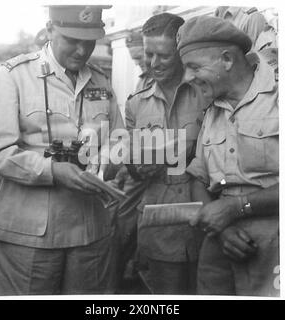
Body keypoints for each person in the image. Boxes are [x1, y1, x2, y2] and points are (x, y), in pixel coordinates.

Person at [0, 5, 124, 295]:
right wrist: (51, 170)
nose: (81, 50)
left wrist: (104, 163)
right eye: (72, 39)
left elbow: (118, 138)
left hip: (89, 229)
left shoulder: (100, 81)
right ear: (49, 30)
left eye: (89, 42)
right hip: (27, 232)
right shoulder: (13, 76)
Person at [177, 15, 279, 296]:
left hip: (274, 248)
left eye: (193, 67)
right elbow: (198, 176)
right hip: (221, 242)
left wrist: (237, 208)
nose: (188, 77)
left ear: (227, 60)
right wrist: (221, 229)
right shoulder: (213, 108)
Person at [125, 13, 208, 294]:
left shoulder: (206, 92)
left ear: (181, 53)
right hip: (160, 229)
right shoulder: (137, 103)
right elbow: (129, 163)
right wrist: (138, 165)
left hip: (207, 222)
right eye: (149, 54)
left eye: (164, 55)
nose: (153, 63)